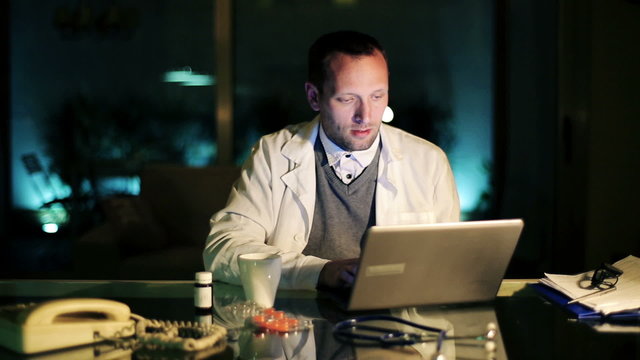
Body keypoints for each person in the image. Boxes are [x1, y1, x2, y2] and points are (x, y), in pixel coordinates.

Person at [203, 30, 460, 290]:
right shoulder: (272, 154)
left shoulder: (429, 161)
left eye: (377, 96)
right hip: (293, 321)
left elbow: (450, 262)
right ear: (314, 97)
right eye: (348, 99)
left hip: (396, 323)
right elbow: (223, 249)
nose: (366, 116)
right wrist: (319, 272)